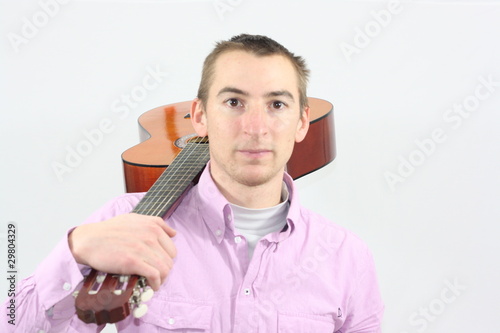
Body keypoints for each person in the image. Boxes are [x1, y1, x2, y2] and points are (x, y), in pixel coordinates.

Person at [3, 34, 383, 332]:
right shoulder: (128, 222)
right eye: (234, 102)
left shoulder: (347, 257)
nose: (255, 128)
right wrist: (75, 250)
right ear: (199, 117)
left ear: (302, 123)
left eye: (277, 105)